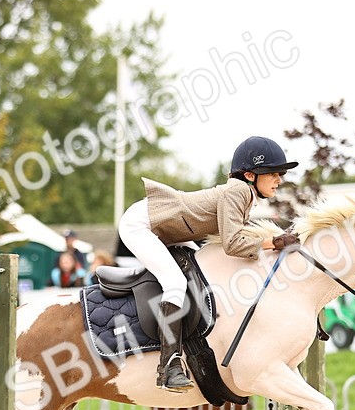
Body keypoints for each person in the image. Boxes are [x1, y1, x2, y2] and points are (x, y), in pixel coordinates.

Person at [118, 135, 298, 392]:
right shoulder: (237, 191)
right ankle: (169, 366)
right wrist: (275, 242)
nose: (279, 179)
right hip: (141, 225)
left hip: (166, 229)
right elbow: (234, 244)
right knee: (175, 282)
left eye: (279, 173)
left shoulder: (243, 194)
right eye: (272, 173)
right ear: (249, 176)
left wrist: (274, 242)